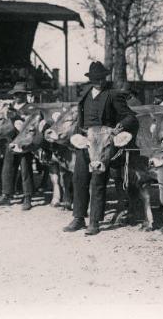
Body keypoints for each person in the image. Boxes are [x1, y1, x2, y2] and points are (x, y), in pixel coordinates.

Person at [62, 62, 138, 235]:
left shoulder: (113, 94)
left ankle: (94, 222)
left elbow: (130, 117)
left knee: (98, 181)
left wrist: (119, 126)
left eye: (101, 78)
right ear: (90, 79)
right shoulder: (85, 95)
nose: (98, 81)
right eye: (95, 79)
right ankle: (78, 218)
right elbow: (80, 121)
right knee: (79, 179)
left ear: (105, 78)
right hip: (87, 142)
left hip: (104, 143)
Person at [0, 81, 36, 210]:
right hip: (11, 141)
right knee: (8, 168)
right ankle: (6, 195)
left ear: (25, 95)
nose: (16, 96)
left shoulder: (31, 108)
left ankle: (27, 197)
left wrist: (16, 115)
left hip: (24, 143)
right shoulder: (10, 107)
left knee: (26, 169)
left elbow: (30, 121)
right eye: (15, 94)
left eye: (20, 94)